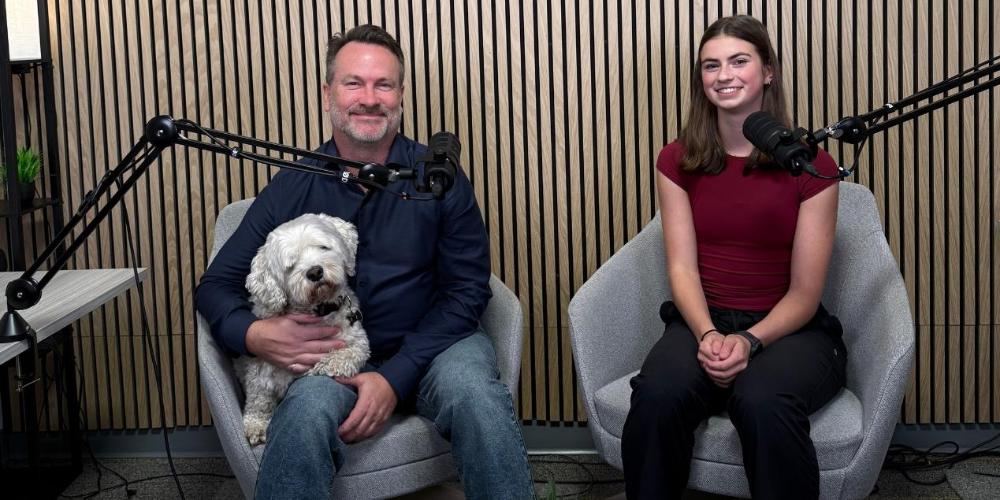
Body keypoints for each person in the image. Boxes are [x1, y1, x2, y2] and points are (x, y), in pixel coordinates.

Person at [196, 24, 533, 500]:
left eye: (384, 85)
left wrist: (393, 379)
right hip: (329, 355)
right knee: (304, 414)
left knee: (477, 394)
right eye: (354, 83)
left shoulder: (438, 176)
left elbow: (468, 292)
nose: (370, 99)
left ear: (401, 96)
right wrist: (254, 334)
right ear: (327, 94)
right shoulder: (293, 184)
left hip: (436, 344)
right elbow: (214, 287)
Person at [621, 15, 847, 499]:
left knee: (763, 401)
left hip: (789, 328)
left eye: (738, 61)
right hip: (703, 319)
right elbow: (681, 267)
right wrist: (708, 334)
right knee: (657, 394)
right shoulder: (676, 159)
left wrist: (748, 340)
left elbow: (805, 293)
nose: (723, 75)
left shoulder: (813, 165)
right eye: (711, 65)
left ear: (768, 72)